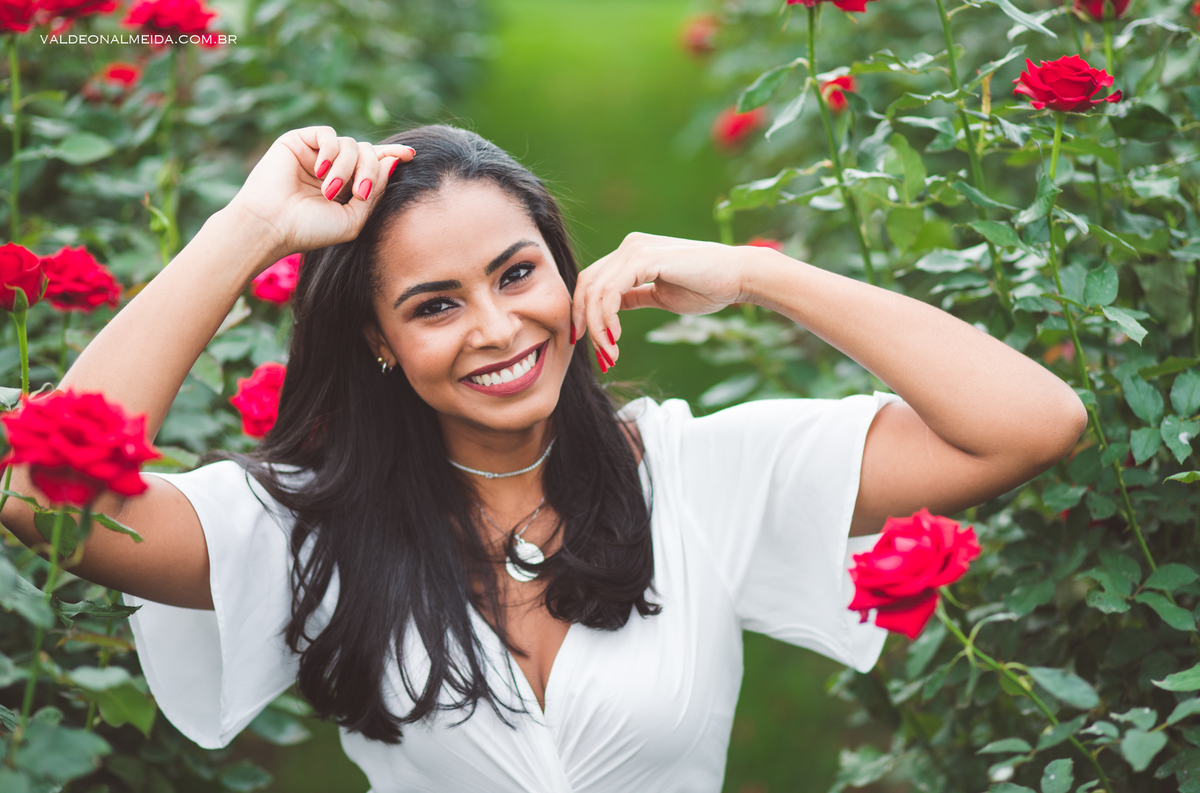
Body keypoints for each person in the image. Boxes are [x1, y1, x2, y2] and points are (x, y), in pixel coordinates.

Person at [0, 123, 1087, 792]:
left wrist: (761, 276)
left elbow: (1031, 422)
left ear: (567, 272)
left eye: (518, 273)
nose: (497, 328)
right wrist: (248, 230)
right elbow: (42, 494)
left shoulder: (696, 473)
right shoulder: (309, 525)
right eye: (435, 305)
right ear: (379, 342)